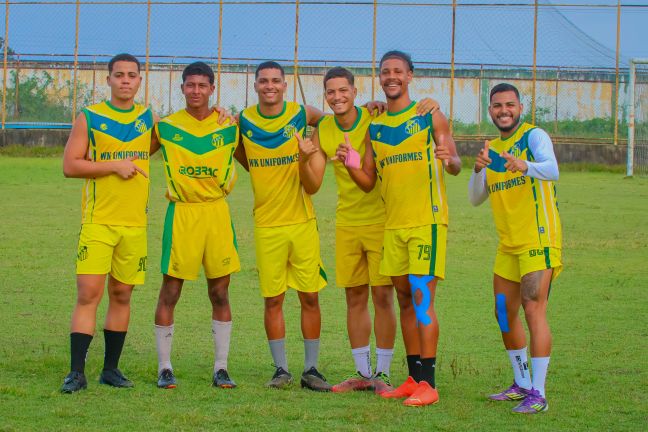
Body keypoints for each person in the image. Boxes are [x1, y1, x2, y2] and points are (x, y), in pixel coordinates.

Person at [297, 66, 440, 395]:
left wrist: (431, 104)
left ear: (355, 91)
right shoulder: (323, 130)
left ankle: (384, 373)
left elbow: (399, 120)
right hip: (347, 222)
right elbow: (314, 184)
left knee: (383, 296)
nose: (337, 97)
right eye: (331, 92)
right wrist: (304, 159)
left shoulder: (372, 117)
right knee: (354, 296)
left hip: (381, 220)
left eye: (342, 90)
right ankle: (361, 372)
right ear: (325, 96)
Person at [335, 51, 461, 407]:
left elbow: (454, 162)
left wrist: (449, 160)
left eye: (397, 71)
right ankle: (413, 378)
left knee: (422, 300)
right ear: (379, 78)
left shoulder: (428, 114)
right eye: (385, 72)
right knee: (405, 300)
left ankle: (430, 385)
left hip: (427, 221)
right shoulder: (375, 127)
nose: (391, 77)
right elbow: (368, 181)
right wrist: (349, 163)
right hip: (393, 226)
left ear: (410, 76)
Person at [234, 61, 330, 391]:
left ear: (285, 85)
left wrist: (315, 148)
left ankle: (312, 369)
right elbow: (239, 153)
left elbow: (334, 121)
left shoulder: (302, 113)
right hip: (267, 225)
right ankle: (281, 370)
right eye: (264, 81)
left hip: (302, 222)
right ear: (256, 84)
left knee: (310, 297)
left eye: (276, 81)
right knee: (273, 300)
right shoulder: (243, 120)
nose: (270, 86)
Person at [61, 53, 154, 393]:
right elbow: (70, 165)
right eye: (119, 75)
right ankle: (76, 372)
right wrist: (113, 166)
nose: (126, 80)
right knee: (88, 294)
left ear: (140, 80)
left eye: (132, 75)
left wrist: (219, 114)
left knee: (122, 294)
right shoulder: (89, 117)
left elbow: (179, 135)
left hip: (134, 225)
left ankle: (111, 370)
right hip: (98, 222)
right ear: (108, 80)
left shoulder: (148, 118)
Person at [468, 83, 562, 414]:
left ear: (520, 108)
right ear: (490, 110)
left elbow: (553, 170)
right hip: (508, 245)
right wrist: (479, 169)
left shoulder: (533, 136)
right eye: (496, 105)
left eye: (509, 104)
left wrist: (525, 166)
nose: (503, 110)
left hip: (538, 238)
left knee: (533, 308)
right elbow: (475, 198)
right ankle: (521, 383)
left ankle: (539, 392)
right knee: (503, 313)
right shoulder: (491, 147)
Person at [151, 62, 240, 390]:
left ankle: (221, 367)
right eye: (191, 85)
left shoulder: (230, 126)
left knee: (220, 291)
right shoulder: (166, 127)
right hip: (182, 214)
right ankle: (164, 367)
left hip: (216, 214)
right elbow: (136, 153)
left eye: (203, 85)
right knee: (171, 290)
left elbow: (250, 157)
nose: (197, 91)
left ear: (213, 89)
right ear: (182, 87)